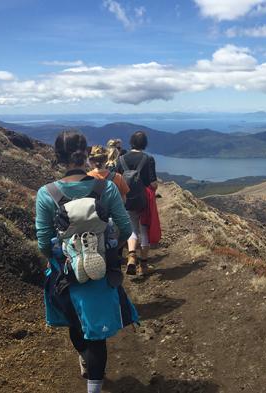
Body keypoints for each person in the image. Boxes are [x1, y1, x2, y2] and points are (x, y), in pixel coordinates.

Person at [36, 131, 139, 393]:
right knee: (98, 338)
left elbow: (43, 242)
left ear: (58, 157)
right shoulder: (106, 188)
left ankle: (82, 358)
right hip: (101, 272)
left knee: (76, 325)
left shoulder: (46, 194)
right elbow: (126, 230)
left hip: (66, 275)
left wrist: (57, 257)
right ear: (86, 157)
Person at [116, 131, 157, 276]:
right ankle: (143, 265)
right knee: (143, 230)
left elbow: (117, 180)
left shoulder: (121, 159)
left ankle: (131, 256)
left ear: (131, 142)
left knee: (132, 229)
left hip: (126, 200)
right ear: (144, 143)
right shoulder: (148, 159)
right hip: (143, 201)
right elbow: (153, 184)